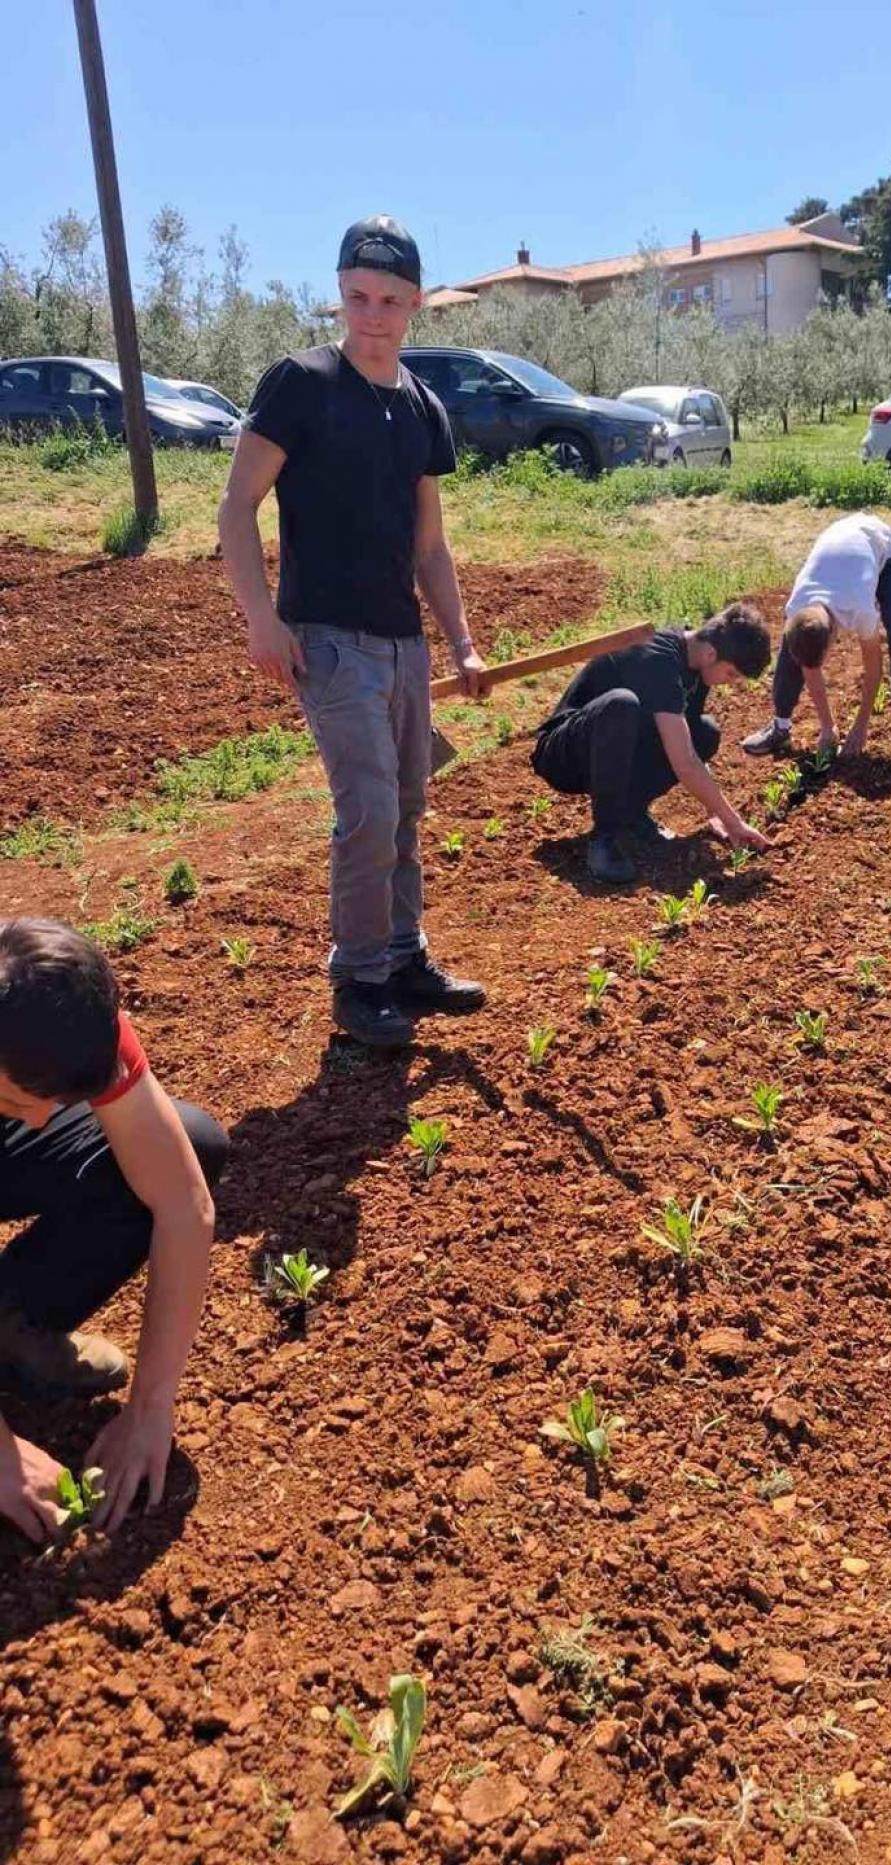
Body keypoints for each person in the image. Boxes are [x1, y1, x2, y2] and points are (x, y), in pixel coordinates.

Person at [219, 214, 489, 1049]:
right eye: (356, 298)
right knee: (369, 809)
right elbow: (236, 507)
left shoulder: (421, 408)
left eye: (389, 301)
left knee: (407, 804)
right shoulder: (301, 384)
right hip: (328, 639)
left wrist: (462, 643)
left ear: (415, 305)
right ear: (341, 295)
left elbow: (430, 546)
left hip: (402, 642)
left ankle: (403, 957)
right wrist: (261, 618)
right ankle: (358, 978)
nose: (371, 316)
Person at [0, 919, 228, 1543]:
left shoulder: (62, 1010)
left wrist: (152, 1407)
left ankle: (15, 1319)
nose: (46, 1122)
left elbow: (184, 1203)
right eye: (27, 1103)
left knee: (191, 1145)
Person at [531, 603, 775, 884]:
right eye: (731, 674)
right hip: (564, 755)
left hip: (613, 749)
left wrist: (715, 814)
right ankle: (605, 839)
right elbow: (684, 762)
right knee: (621, 704)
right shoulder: (657, 659)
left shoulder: (695, 665)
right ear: (711, 654)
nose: (728, 682)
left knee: (704, 732)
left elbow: (687, 746)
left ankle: (631, 813)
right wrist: (734, 822)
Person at [742, 512, 891, 764]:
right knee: (791, 646)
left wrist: (861, 726)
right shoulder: (797, 606)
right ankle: (780, 726)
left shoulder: (858, 607)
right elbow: (809, 662)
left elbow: (873, 668)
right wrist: (827, 726)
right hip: (845, 547)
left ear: (833, 636)